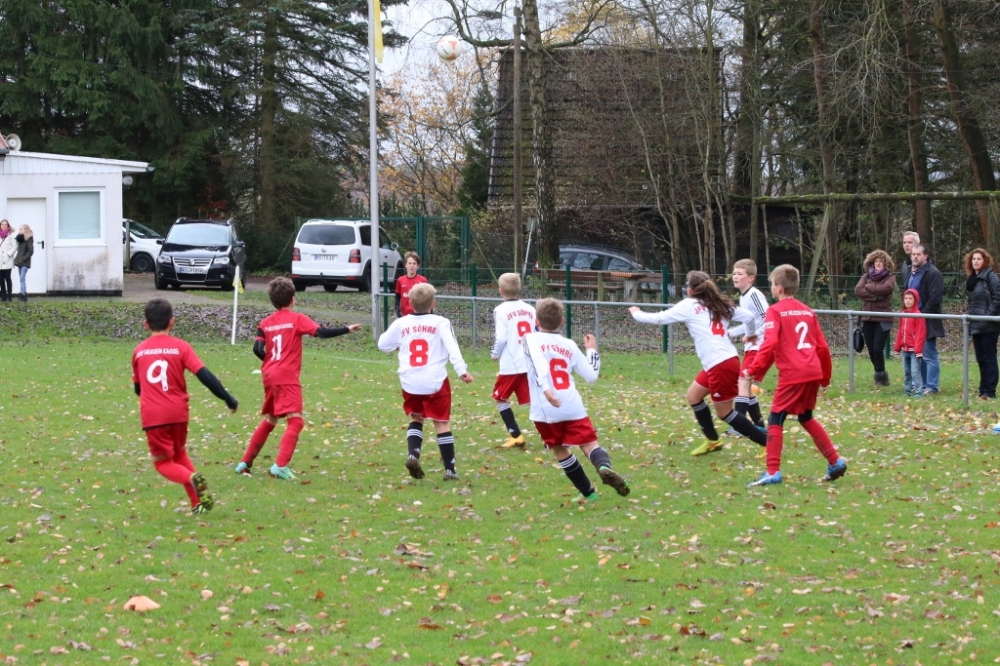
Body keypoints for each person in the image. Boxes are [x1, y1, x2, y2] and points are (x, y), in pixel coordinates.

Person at [630, 270, 767, 456]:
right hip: (721, 361)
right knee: (694, 395)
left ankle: (769, 444)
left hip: (721, 364)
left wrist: (636, 313)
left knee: (725, 413)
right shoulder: (719, 303)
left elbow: (660, 318)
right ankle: (713, 441)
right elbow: (749, 317)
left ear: (690, 290)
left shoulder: (690, 305)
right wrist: (750, 334)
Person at [236, 277, 362, 479]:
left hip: (269, 376)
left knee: (271, 420)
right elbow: (321, 332)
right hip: (286, 376)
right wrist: (346, 329)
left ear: (273, 301)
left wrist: (271, 363)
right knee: (296, 422)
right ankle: (280, 466)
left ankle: (245, 462)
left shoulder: (265, 323)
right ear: (293, 299)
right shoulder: (297, 319)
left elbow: (257, 348)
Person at [131, 298, 239, 514]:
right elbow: (205, 376)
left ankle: (192, 477)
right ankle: (197, 503)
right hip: (179, 412)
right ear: (172, 321)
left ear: (146, 324)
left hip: (154, 415)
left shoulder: (139, 351)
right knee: (179, 454)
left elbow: (138, 389)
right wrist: (228, 399)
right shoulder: (181, 347)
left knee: (162, 463)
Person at [743, 265, 847, 487]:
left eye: (772, 284)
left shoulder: (775, 311)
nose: (771, 288)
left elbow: (770, 343)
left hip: (793, 373)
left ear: (779, 288)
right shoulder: (807, 311)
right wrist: (825, 377)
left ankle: (772, 471)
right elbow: (822, 347)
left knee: (775, 418)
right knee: (806, 417)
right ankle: (835, 461)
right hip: (813, 371)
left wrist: (752, 370)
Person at [523, 298, 630, 502]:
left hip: (546, 408)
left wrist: (546, 389)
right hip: (572, 405)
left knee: (560, 449)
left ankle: (588, 492)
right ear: (562, 322)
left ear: (536, 322)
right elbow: (591, 376)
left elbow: (538, 362)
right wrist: (592, 350)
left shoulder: (530, 338)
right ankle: (603, 466)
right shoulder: (570, 344)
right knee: (590, 444)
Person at [378, 282, 473, 481]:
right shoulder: (441, 322)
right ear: (433, 303)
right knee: (441, 422)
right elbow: (452, 347)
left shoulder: (401, 323)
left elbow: (382, 345)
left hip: (409, 381)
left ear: (410, 303)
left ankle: (413, 454)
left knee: (416, 417)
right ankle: (450, 470)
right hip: (435, 381)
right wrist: (461, 370)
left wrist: (397, 345)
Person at [490, 272, 537, 448]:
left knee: (500, 397)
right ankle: (550, 438)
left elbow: (501, 337)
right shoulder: (530, 309)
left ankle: (516, 435)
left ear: (501, 290)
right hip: (529, 361)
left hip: (511, 364)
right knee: (535, 401)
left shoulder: (500, 310)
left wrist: (494, 353)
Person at [728, 258, 770, 429]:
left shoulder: (754, 295)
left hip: (761, 346)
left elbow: (768, 319)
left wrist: (753, 335)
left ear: (751, 278)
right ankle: (758, 424)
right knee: (745, 385)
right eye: (734, 273)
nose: (735, 276)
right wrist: (729, 333)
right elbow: (748, 324)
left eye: (740, 273)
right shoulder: (743, 297)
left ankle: (739, 427)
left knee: (743, 382)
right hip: (752, 346)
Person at [853, 249, 897, 387]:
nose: (878, 263)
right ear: (872, 263)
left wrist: (869, 287)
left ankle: (880, 375)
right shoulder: (866, 276)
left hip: (883, 318)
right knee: (871, 349)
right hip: (867, 317)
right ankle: (880, 373)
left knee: (878, 349)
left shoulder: (890, 277)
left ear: (886, 264)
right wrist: (876, 297)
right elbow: (858, 290)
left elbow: (886, 289)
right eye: (876, 261)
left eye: (881, 261)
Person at [905, 244, 944, 394]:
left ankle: (932, 386)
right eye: (913, 254)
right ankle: (919, 384)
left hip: (927, 320)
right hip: (912, 320)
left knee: (929, 354)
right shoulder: (910, 272)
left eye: (918, 254)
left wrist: (921, 315)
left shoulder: (933, 273)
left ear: (926, 256)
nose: (915, 257)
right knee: (917, 353)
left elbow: (935, 298)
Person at [964, 248, 1000, 399]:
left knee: (989, 358)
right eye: (974, 259)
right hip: (976, 324)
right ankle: (983, 388)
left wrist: (988, 316)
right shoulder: (973, 279)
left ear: (985, 261)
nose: (976, 261)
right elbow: (972, 302)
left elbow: (998, 299)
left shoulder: (991, 277)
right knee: (980, 358)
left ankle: (990, 390)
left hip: (989, 325)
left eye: (979, 259)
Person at [893, 288, 926, 397]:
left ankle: (918, 391)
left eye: (910, 299)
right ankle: (907, 390)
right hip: (905, 349)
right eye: (906, 298)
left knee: (915, 372)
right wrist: (897, 347)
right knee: (906, 372)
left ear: (915, 300)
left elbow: (920, 333)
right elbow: (900, 331)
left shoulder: (918, 315)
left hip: (914, 350)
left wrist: (918, 350)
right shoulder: (903, 314)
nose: (907, 301)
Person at [395, 251, 428, 318]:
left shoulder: (423, 280)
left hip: (419, 316)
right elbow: (397, 297)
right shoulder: (400, 280)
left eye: (414, 263)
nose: (412, 265)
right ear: (406, 265)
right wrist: (397, 309)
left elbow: (427, 299)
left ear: (418, 266)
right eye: (409, 263)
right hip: (404, 316)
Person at [13, 223, 33, 302]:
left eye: (21, 229)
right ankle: (23, 293)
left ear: (25, 230)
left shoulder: (29, 239)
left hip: (25, 262)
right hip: (19, 261)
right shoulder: (20, 239)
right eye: (19, 229)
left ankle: (22, 294)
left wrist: (24, 258)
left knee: (22, 277)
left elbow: (30, 251)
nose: (19, 230)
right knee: (21, 278)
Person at [0, 219, 15, 302]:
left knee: (7, 278)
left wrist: (9, 254)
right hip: (0, 260)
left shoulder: (11, 236)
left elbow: (15, 246)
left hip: (8, 260)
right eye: (2, 224)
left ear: (8, 226)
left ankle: (9, 295)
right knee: (1, 279)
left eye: (5, 224)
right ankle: (3, 296)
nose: (3, 226)